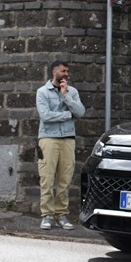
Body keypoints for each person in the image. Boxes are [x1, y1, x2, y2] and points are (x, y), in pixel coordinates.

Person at [36, 60, 86, 230]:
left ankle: (61, 214)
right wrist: (67, 115)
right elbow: (45, 116)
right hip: (48, 138)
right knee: (47, 177)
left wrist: (66, 96)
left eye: (67, 71)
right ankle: (47, 215)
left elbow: (80, 112)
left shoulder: (72, 92)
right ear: (54, 72)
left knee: (65, 179)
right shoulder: (42, 92)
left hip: (68, 138)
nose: (66, 74)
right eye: (63, 71)